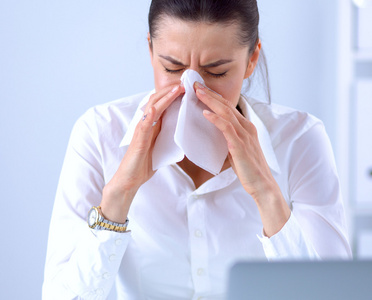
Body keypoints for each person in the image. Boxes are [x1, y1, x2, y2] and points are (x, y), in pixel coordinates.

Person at [42, 0, 352, 299]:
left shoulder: (300, 140)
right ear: (150, 51)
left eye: (217, 72)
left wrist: (266, 192)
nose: (192, 92)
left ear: (251, 60)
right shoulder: (99, 133)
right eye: (172, 67)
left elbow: (333, 294)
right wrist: (120, 193)